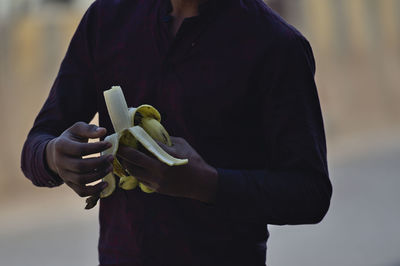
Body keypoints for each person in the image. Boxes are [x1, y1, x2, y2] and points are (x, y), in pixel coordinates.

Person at [21, 0, 332, 265]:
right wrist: (52, 156)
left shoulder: (276, 46)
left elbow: (310, 193)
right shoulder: (107, 18)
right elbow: (37, 143)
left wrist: (208, 184)